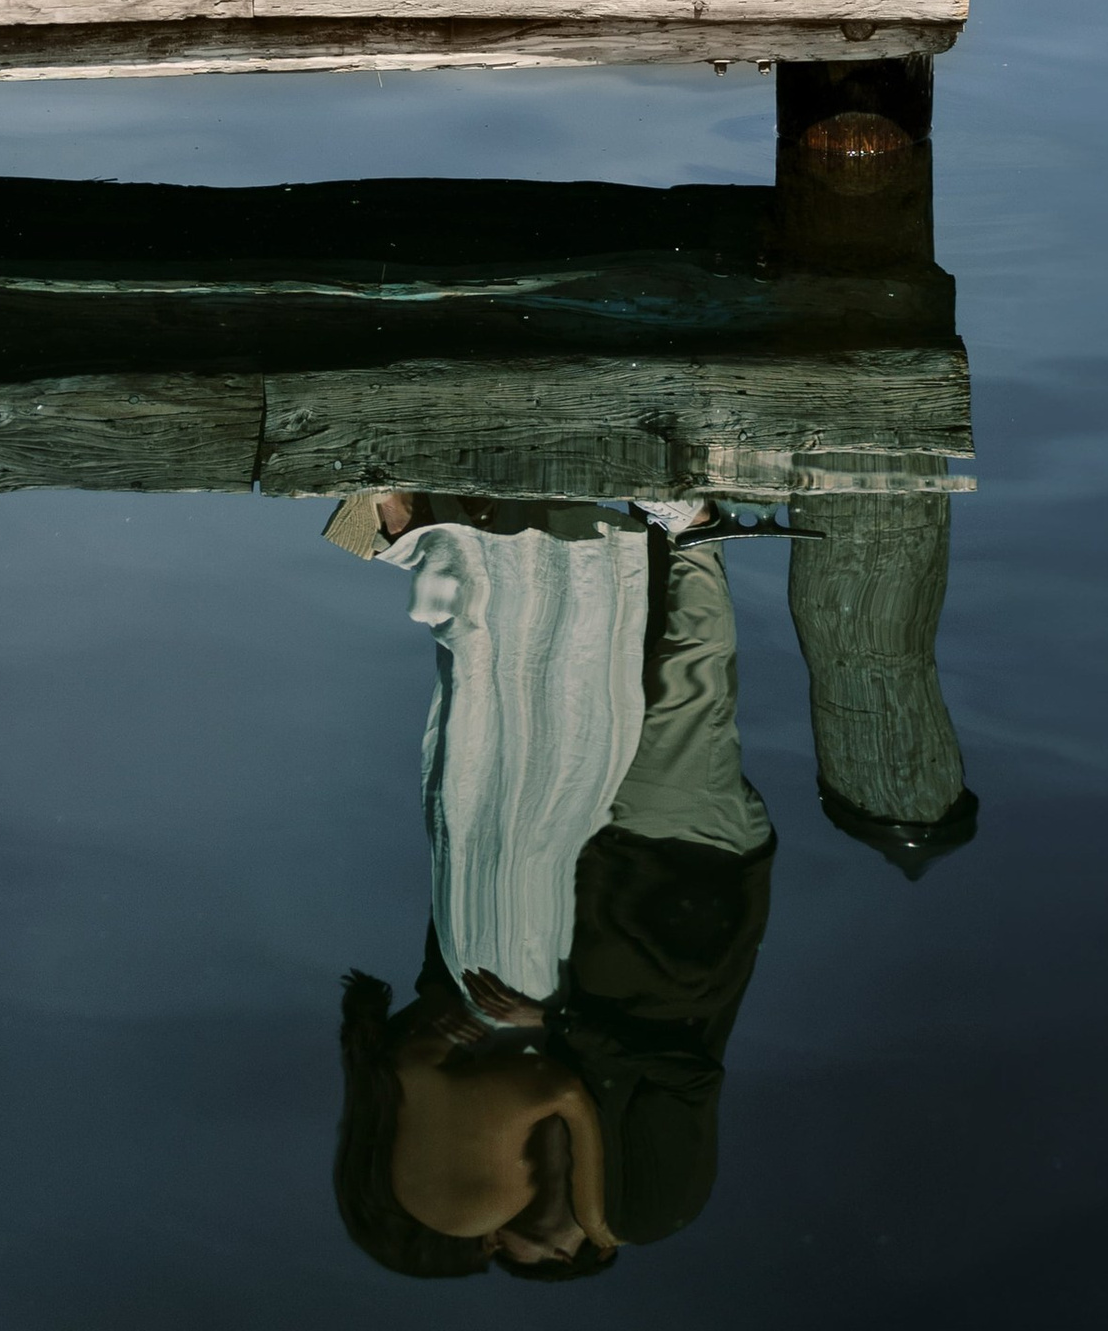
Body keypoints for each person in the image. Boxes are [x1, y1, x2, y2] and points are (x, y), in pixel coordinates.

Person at [329, 488, 775, 1278]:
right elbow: (686, 1073)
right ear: (588, 1245)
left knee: (605, 691)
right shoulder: (650, 1207)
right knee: (684, 699)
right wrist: (560, 1027)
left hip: (599, 897)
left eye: (506, 1246)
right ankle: (694, 531)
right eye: (542, 1249)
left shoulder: (519, 1170)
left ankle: (551, 531)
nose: (511, 1237)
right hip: (684, 902)